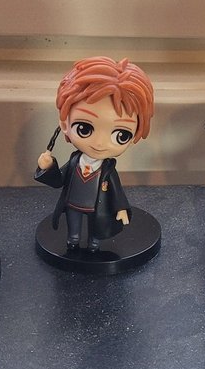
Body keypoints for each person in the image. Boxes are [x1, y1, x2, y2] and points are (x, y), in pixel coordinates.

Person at [36, 56, 154, 251]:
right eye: (84, 128)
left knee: (96, 228)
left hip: (97, 207)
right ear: (65, 124)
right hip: (73, 203)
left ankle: (94, 244)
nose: (99, 143)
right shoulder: (74, 163)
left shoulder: (107, 171)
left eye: (120, 135)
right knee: (73, 228)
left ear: (135, 134)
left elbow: (117, 192)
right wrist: (48, 167)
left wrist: (121, 209)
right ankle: (73, 240)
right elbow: (58, 181)